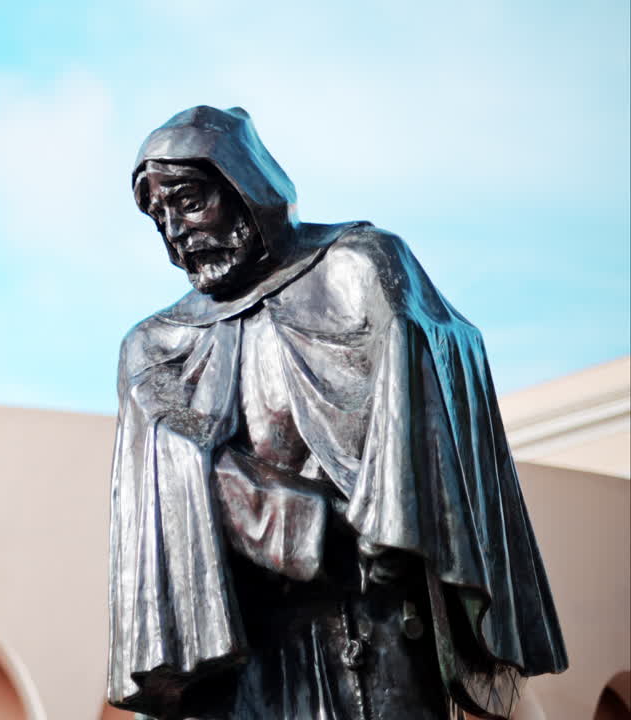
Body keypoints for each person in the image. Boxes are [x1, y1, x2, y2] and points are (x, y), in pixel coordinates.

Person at [106, 105, 567, 720]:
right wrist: (314, 525)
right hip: (241, 649)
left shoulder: (358, 266)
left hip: (374, 627)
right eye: (159, 217)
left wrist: (388, 519)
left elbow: (435, 372)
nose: (175, 232)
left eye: (189, 203)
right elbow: (171, 477)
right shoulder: (156, 344)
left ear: (245, 185)